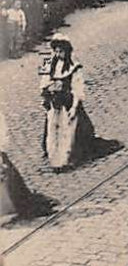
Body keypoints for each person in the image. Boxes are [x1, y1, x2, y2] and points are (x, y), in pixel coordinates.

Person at [40, 36, 96, 171]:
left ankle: (67, 157)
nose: (58, 55)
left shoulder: (74, 67)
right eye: (56, 51)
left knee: (70, 131)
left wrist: (75, 107)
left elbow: (77, 89)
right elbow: (44, 82)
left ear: (67, 51)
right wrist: (48, 91)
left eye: (61, 52)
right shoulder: (50, 65)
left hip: (68, 103)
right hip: (55, 104)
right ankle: (54, 154)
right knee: (53, 128)